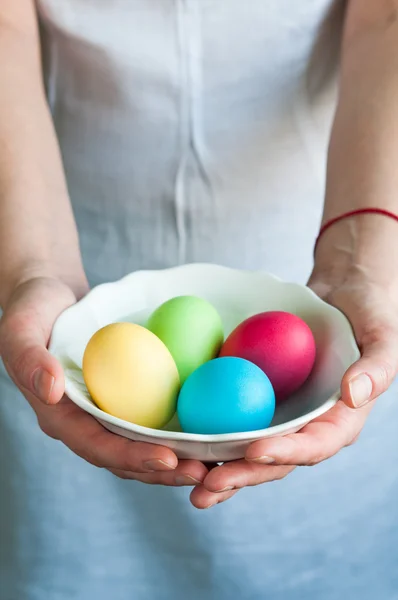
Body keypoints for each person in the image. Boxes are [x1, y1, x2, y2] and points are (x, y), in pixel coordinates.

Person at [1, 1, 398, 598]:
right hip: (69, 277)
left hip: (317, 257)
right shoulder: (82, 330)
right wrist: (31, 264)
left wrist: (363, 255)